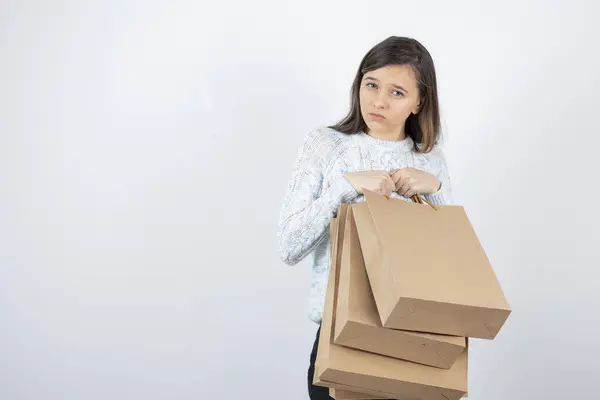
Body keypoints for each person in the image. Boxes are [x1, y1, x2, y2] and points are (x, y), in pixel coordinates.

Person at [276, 36, 453, 400]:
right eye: (371, 84)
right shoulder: (326, 145)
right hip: (343, 333)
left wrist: (434, 188)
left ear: (420, 102)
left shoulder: (431, 160)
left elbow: (453, 266)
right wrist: (345, 187)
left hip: (419, 338)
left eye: (397, 92)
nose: (379, 101)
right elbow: (289, 246)